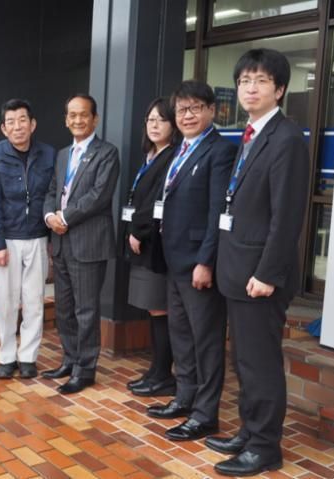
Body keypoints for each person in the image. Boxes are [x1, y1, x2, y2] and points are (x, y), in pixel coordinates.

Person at [209, 49, 309, 477]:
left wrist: (267, 274)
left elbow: (286, 218)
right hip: (238, 271)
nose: (250, 88)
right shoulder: (251, 134)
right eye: (244, 80)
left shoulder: (286, 139)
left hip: (260, 277)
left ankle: (265, 447)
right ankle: (249, 432)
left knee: (260, 364)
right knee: (244, 361)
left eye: (261, 80)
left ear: (280, 89)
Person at [146, 81, 236, 442]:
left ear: (212, 110)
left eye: (196, 108)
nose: (187, 116)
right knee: (181, 336)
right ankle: (184, 397)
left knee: (206, 341)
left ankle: (205, 414)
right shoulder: (180, 149)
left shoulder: (220, 151)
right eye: (182, 109)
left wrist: (206, 261)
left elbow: (217, 212)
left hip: (198, 263)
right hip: (174, 259)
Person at [42, 93, 120, 394]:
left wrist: (65, 217)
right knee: (64, 308)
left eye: (83, 114)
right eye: (72, 115)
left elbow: (98, 196)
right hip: (61, 242)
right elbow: (52, 190)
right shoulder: (63, 154)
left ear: (94, 119)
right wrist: (49, 216)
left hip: (88, 243)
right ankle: (70, 359)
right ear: (66, 119)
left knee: (86, 310)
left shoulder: (107, 153)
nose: (77, 120)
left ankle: (85, 369)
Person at [0, 99, 56, 380]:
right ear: (4, 128)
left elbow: (52, 194)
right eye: (11, 122)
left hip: (38, 237)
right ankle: (6, 356)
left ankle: (28, 356)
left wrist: (51, 237)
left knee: (34, 300)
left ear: (32, 124)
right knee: (6, 301)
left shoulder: (48, 154)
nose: (17, 126)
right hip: (7, 240)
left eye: (22, 120)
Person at [125, 97, 179, 397]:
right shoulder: (151, 155)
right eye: (150, 119)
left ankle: (163, 375)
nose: (155, 125)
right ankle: (156, 370)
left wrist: (138, 231)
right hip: (143, 243)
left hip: (155, 243)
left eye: (162, 119)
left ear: (174, 124)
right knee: (153, 308)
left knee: (160, 308)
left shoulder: (172, 157)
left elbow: (158, 202)